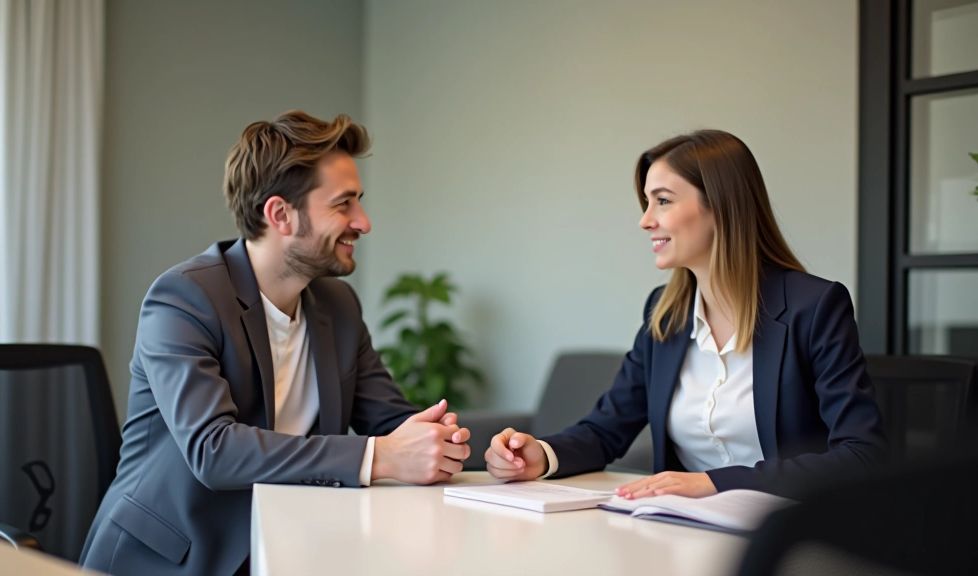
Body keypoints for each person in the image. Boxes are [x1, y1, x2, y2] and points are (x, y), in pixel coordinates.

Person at [80, 110, 471, 576]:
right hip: (171, 559)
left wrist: (446, 441)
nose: (363, 222)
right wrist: (381, 455)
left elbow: (391, 420)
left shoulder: (338, 305)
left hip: (288, 545)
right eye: (343, 204)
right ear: (280, 214)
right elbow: (214, 450)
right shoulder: (185, 298)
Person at [484, 129, 888, 500]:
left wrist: (713, 483)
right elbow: (605, 430)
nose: (645, 221)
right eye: (646, 203)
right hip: (683, 531)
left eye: (662, 200)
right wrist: (540, 455)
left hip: (786, 533)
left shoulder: (814, 307)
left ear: (721, 205)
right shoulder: (664, 315)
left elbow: (862, 454)